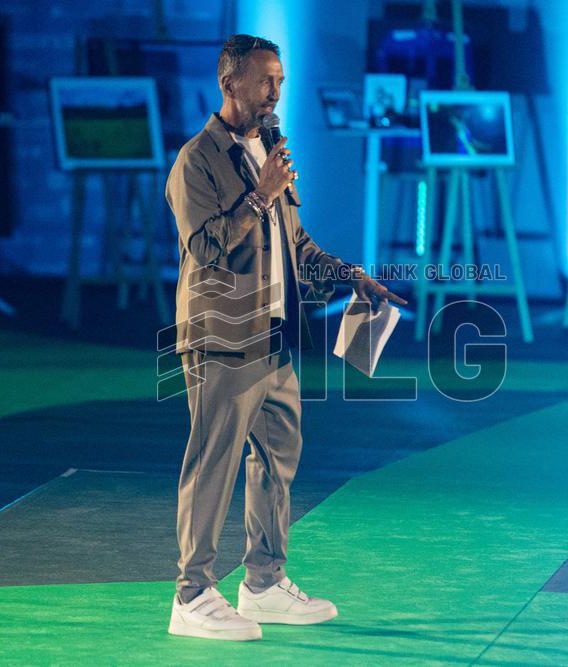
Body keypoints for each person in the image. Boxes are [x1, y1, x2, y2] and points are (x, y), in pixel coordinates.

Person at [165, 34, 406, 642]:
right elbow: (207, 247)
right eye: (265, 80)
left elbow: (295, 245)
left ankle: (264, 583)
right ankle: (191, 595)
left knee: (278, 459)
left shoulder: (271, 151)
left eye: (281, 80)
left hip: (273, 338)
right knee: (213, 463)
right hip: (221, 337)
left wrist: (352, 276)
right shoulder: (196, 161)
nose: (276, 92)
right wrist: (260, 194)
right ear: (229, 84)